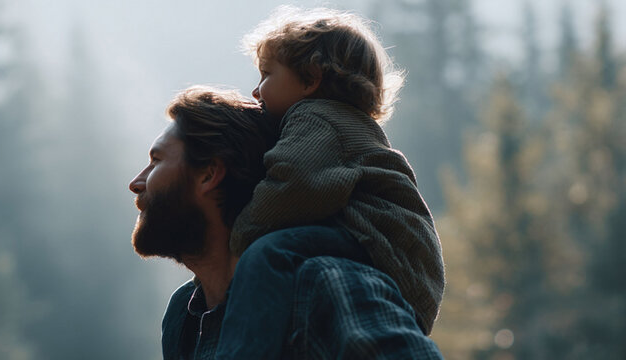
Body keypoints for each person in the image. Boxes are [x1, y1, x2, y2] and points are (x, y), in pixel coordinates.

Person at [129, 86, 443, 359]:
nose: (136, 182)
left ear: (209, 174)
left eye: (156, 161)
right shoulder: (183, 315)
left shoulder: (325, 286)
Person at [216, 7, 446, 359]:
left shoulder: (315, 118)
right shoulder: (343, 121)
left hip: (382, 246)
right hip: (410, 270)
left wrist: (242, 235)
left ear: (310, 79)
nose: (256, 91)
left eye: (266, 75)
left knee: (269, 253)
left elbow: (295, 184)